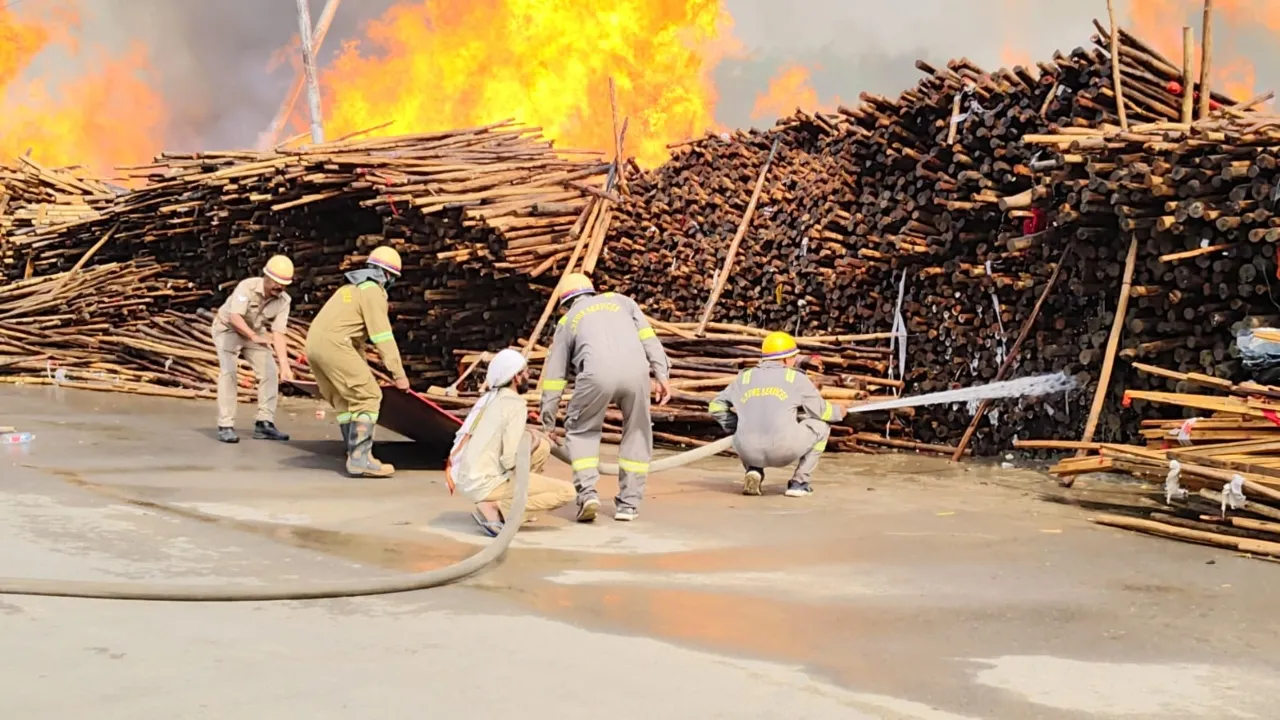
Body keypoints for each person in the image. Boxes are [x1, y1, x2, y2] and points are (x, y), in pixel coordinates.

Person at [540, 273, 670, 523]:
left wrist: (548, 423)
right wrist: (662, 374)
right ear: (591, 290)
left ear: (565, 303)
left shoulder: (568, 321)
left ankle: (588, 494)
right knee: (638, 432)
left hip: (595, 375)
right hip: (637, 373)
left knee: (581, 431)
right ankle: (629, 505)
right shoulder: (623, 302)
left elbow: (555, 377)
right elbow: (649, 339)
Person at [304, 246, 410, 478]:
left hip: (314, 344)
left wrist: (363, 368)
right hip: (335, 345)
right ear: (388, 275)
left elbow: (356, 341)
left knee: (345, 399)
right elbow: (382, 335)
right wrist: (398, 374)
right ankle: (361, 458)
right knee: (369, 396)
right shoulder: (372, 291)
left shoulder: (349, 289)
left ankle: (352, 451)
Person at [447, 349, 576, 537]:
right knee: (568, 492)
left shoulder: (490, 399)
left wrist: (534, 439)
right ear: (516, 377)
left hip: (468, 478)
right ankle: (498, 509)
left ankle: (514, 505)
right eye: (525, 372)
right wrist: (528, 445)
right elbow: (509, 460)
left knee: (543, 447)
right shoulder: (515, 405)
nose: (528, 375)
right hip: (485, 484)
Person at [708, 331, 847, 498]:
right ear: (787, 359)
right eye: (794, 357)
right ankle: (799, 482)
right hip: (783, 451)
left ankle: (754, 469)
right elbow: (821, 412)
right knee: (822, 426)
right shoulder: (794, 378)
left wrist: (734, 426)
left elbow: (715, 406)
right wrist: (839, 411)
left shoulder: (744, 378)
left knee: (749, 431)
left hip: (747, 451)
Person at [211, 255, 295, 444]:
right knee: (228, 372)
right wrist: (253, 337)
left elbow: (279, 332)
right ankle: (225, 425)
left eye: (284, 284)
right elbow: (234, 317)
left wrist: (284, 365)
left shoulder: (283, 300)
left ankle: (264, 423)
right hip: (228, 329)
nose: (279, 287)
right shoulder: (247, 287)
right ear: (266, 276)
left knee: (270, 372)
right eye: (276, 282)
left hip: (255, 332)